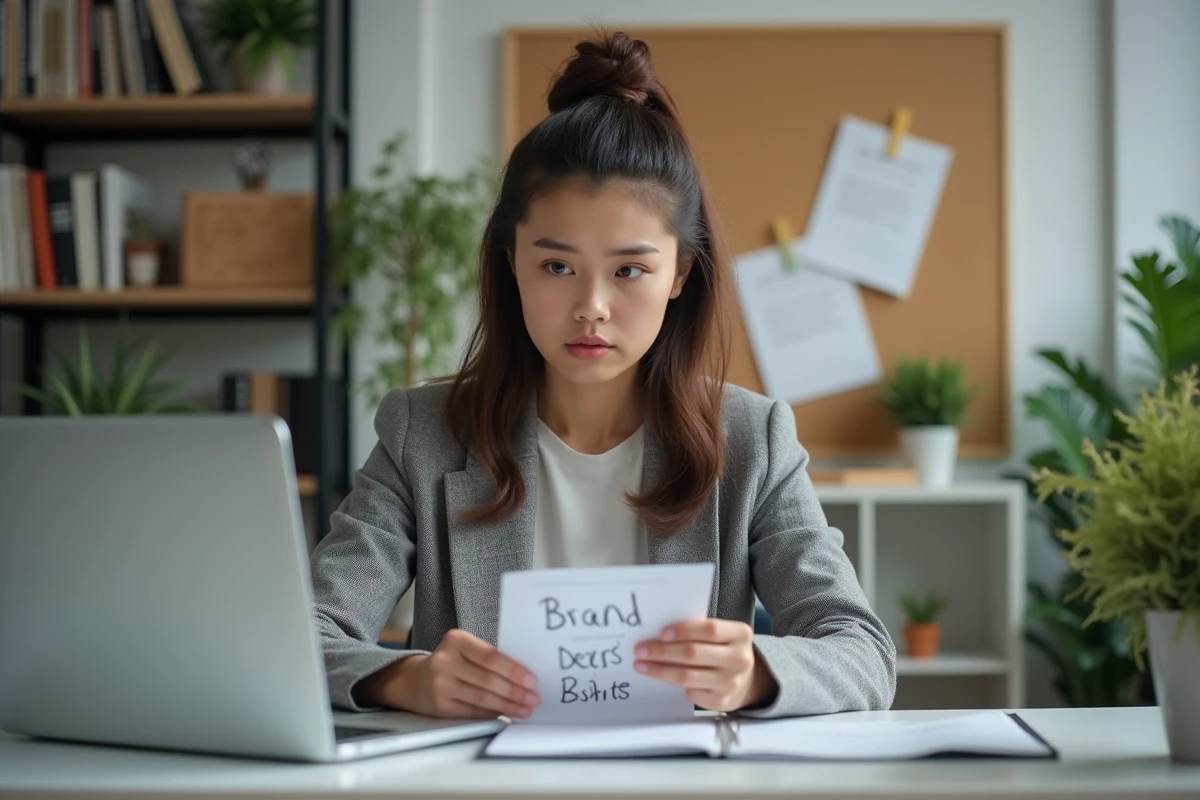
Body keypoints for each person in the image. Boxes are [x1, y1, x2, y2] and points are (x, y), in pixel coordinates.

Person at [310, 30, 895, 721]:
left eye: (630, 270)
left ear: (679, 274)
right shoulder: (424, 434)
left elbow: (862, 653)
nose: (591, 307)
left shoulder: (750, 439)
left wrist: (756, 673)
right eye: (557, 266)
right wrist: (406, 680)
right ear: (511, 263)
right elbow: (305, 639)